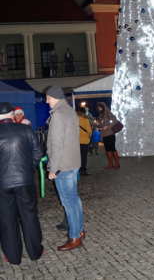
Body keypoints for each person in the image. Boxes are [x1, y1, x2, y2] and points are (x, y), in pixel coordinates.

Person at [0, 102, 44, 265]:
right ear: (12, 114)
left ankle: (13, 256)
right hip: (24, 181)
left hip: (2, 184)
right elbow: (38, 153)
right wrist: (27, 168)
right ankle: (35, 252)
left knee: (6, 219)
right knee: (29, 216)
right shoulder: (25, 129)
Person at [46, 86, 84, 251]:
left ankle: (75, 236)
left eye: (47, 98)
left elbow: (56, 144)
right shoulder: (69, 110)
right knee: (74, 200)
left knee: (69, 202)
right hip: (72, 162)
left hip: (63, 166)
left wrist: (53, 168)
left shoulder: (58, 115)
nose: (46, 101)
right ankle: (79, 231)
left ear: (53, 97)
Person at [95, 102, 120, 169]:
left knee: (112, 148)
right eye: (98, 108)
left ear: (103, 107)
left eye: (100, 107)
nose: (99, 109)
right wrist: (94, 124)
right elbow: (100, 125)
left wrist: (108, 126)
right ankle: (111, 163)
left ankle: (117, 164)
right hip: (104, 134)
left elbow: (115, 121)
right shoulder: (100, 115)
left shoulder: (108, 113)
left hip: (110, 133)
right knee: (107, 149)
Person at [78, 106, 92, 175]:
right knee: (84, 156)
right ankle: (83, 170)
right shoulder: (85, 119)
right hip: (84, 140)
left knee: (78, 156)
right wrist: (89, 136)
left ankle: (78, 169)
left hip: (77, 141)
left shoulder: (75, 119)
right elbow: (89, 130)